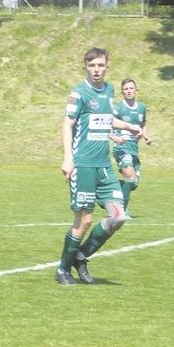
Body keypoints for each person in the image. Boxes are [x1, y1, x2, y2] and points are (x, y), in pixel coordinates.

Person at [55, 48, 143, 285]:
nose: (96, 70)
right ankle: (63, 269)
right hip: (82, 165)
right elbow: (67, 124)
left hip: (103, 166)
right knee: (84, 221)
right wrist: (68, 158)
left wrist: (127, 126)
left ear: (107, 66)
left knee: (118, 216)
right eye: (92, 65)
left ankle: (81, 256)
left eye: (100, 65)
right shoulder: (79, 92)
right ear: (85, 66)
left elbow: (106, 119)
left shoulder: (109, 90)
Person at [110, 78, 151, 213]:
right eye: (126, 89)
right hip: (121, 147)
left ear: (136, 90)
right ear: (122, 92)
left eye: (131, 88)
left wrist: (146, 136)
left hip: (134, 148)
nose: (129, 91)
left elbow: (142, 124)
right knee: (130, 177)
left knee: (133, 184)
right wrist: (114, 137)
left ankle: (113, 187)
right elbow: (108, 122)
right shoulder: (119, 108)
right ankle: (122, 211)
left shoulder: (141, 107)